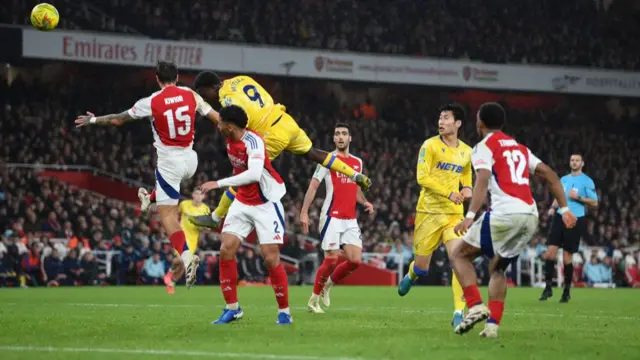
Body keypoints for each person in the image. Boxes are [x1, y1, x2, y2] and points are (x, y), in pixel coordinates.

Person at [74, 61, 218, 288]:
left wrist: (93, 120)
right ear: (178, 77)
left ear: (158, 79)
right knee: (163, 188)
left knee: (168, 216)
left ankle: (188, 257)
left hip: (170, 163)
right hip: (191, 161)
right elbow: (216, 117)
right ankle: (148, 197)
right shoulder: (190, 94)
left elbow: (117, 119)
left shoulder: (151, 101)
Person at [450, 102, 577, 338]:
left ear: (480, 122)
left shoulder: (483, 146)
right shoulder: (520, 148)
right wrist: (565, 209)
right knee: (497, 267)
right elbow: (550, 174)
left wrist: (469, 216)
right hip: (530, 215)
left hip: (505, 213)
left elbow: (483, 179)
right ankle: (492, 327)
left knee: (459, 255)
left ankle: (475, 305)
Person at [189, 72, 371, 230]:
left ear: (212, 88)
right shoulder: (240, 79)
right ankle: (355, 175)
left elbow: (233, 126)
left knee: (243, 174)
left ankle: (215, 218)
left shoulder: (226, 99)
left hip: (271, 134)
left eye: (204, 94)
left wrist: (204, 109)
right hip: (285, 121)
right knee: (314, 153)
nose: (205, 98)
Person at [194, 105, 291, 325]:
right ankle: (232, 309)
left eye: (221, 124)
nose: (217, 126)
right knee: (226, 249)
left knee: (269, 257)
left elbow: (255, 174)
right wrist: (198, 100)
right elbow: (211, 113)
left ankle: (284, 312)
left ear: (230, 126)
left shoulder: (253, 142)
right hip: (242, 202)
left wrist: (217, 183)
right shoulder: (230, 131)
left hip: (266, 202)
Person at [396, 104, 472, 327]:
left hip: (454, 215)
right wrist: (449, 192)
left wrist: (467, 189)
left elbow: (467, 175)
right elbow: (422, 177)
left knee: (459, 259)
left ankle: (459, 311)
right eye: (440, 118)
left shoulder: (467, 151)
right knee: (422, 266)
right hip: (428, 212)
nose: (441, 122)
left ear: (457, 123)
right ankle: (412, 275)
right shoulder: (429, 146)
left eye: (446, 118)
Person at [299, 123, 374, 313]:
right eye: (337, 134)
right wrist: (304, 212)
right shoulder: (327, 159)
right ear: (334, 139)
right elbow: (313, 187)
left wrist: (365, 202)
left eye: (344, 134)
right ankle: (313, 300)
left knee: (355, 260)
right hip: (331, 216)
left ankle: (327, 285)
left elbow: (356, 190)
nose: (340, 137)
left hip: (350, 219)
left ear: (350, 138)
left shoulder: (357, 162)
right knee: (331, 258)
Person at [540, 153, 598, 303]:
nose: (574, 162)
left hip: (575, 219)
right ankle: (548, 288)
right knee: (549, 253)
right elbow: (558, 196)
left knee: (567, 257)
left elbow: (595, 202)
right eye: (572, 160)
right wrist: (553, 208)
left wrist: (578, 198)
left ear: (582, 163)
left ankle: (566, 291)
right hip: (560, 216)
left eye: (577, 160)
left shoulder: (587, 181)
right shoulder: (564, 179)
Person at [164, 188, 210, 294]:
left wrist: (203, 226)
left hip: (193, 239)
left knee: (185, 264)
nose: (198, 196)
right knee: (181, 260)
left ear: (204, 197)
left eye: (201, 194)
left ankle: (172, 282)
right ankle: (169, 273)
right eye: (196, 193)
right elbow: (175, 214)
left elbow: (207, 227)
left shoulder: (205, 209)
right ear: (193, 194)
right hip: (181, 235)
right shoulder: (184, 204)